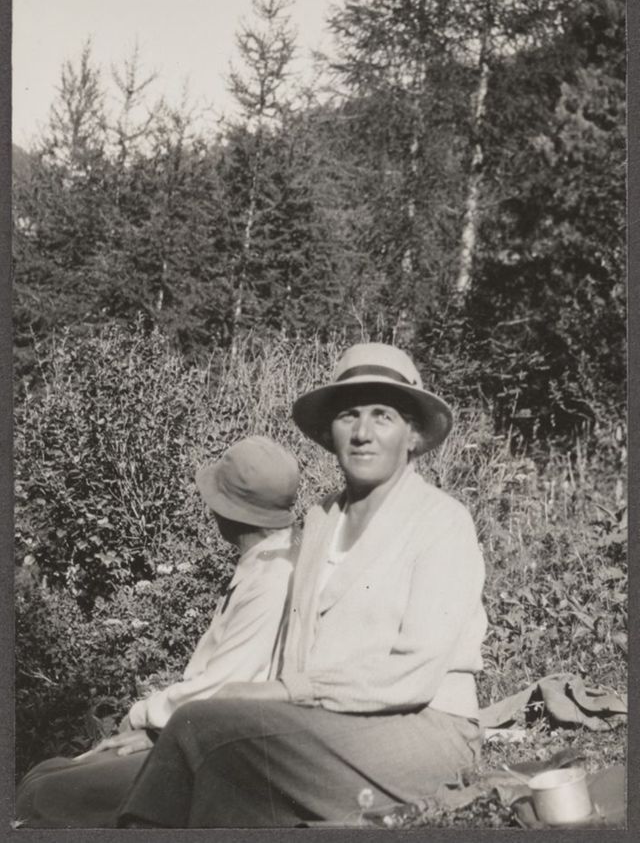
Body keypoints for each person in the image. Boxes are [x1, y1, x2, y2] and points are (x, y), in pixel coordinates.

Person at [118, 342, 488, 829]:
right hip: (325, 726)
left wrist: (287, 693)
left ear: (413, 435)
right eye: (349, 415)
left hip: (426, 732)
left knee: (203, 729)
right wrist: (177, 729)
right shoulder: (319, 519)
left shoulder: (442, 521)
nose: (362, 433)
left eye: (382, 416)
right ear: (331, 432)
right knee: (212, 752)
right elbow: (292, 650)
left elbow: (412, 677)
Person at [15, 435, 300, 828]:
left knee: (43, 793)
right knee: (49, 774)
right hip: (203, 735)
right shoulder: (271, 560)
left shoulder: (271, 579)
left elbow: (222, 689)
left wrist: (143, 716)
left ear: (232, 511)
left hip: (225, 754)